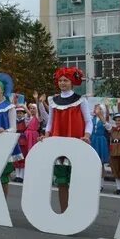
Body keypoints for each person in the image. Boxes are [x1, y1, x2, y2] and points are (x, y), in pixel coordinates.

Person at [43, 66, 92, 213]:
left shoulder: (80, 100)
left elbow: (88, 121)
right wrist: (46, 136)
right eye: (60, 80)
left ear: (72, 82)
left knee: (76, 179)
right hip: (58, 142)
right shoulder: (53, 101)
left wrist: (87, 136)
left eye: (66, 80)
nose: (63, 83)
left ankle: (77, 211)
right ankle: (64, 211)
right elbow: (50, 122)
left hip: (76, 141)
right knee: (61, 180)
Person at [90, 104, 110, 192]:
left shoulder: (104, 119)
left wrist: (102, 117)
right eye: (96, 108)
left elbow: (109, 129)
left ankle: (101, 184)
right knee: (91, 162)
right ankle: (92, 182)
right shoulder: (92, 118)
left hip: (100, 141)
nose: (97, 110)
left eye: (99, 109)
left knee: (100, 163)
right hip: (92, 139)